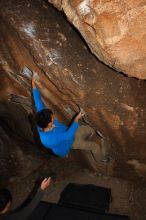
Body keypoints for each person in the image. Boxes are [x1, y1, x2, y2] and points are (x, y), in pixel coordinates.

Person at [32, 75, 85, 157]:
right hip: (67, 143)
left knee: (88, 130)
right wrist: (77, 118)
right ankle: (103, 159)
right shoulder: (49, 139)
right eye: (52, 118)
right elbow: (68, 135)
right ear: (49, 123)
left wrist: (33, 82)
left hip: (66, 132)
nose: (54, 117)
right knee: (95, 146)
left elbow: (38, 102)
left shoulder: (41, 119)